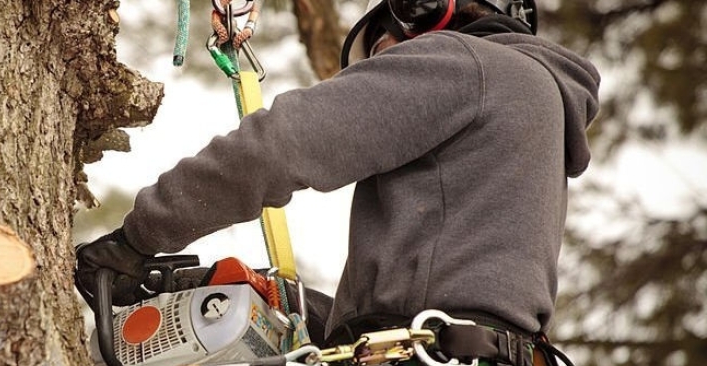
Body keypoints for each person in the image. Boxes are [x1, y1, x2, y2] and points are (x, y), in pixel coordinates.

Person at [76, 0, 600, 364]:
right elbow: (448, 308)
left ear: (430, 9)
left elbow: (281, 145)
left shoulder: (465, 63)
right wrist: (290, 307)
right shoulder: (535, 111)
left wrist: (139, 239)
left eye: (387, 49)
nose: (386, 65)